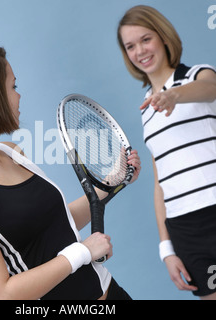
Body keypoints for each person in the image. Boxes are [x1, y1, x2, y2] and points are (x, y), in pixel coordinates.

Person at [0, 41, 141, 300]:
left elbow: (56, 223)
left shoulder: (11, 151)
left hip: (110, 292)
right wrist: (82, 253)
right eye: (13, 87)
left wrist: (111, 182)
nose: (19, 95)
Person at [117, 5, 216, 300]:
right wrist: (166, 249)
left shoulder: (199, 74)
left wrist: (174, 95)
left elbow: (210, 90)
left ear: (163, 37)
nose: (140, 51)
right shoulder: (147, 110)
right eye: (130, 46)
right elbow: (161, 184)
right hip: (185, 228)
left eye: (146, 39)